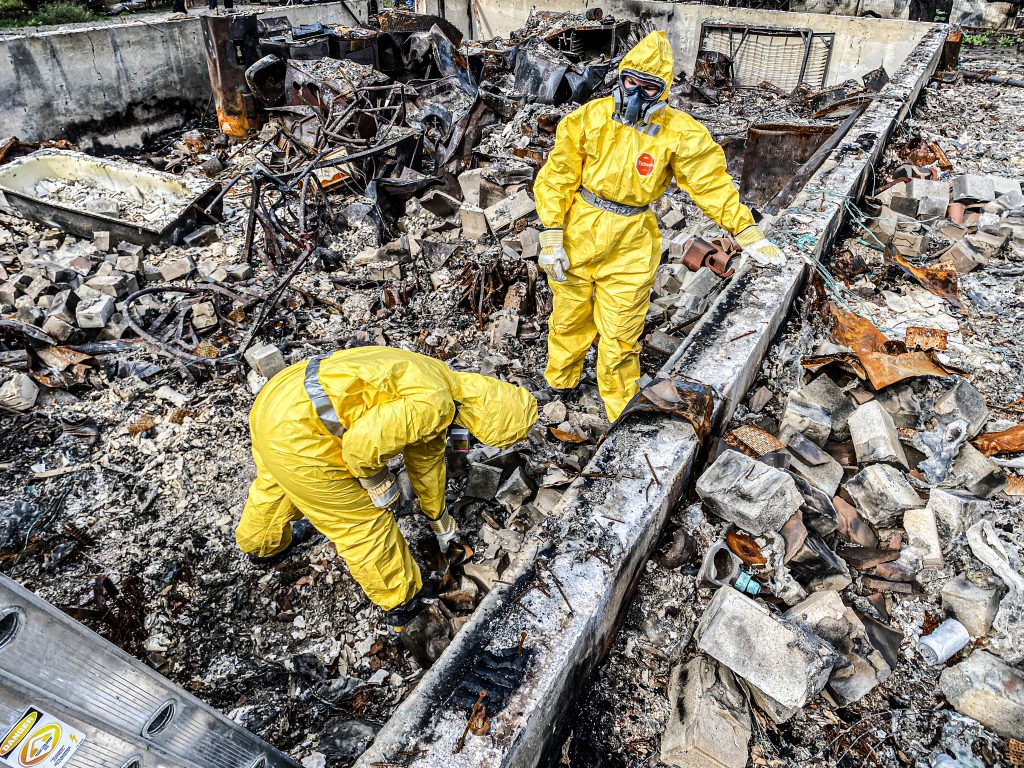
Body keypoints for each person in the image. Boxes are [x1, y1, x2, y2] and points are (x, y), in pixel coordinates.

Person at [533, 30, 783, 423]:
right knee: (568, 317)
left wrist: (745, 231)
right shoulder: (590, 118)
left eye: (647, 87)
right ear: (620, 78)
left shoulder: (679, 133)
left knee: (621, 333)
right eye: (629, 82)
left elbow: (710, 183)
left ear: (662, 91)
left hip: (631, 241)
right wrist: (550, 233)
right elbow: (558, 175)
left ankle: (619, 408)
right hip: (578, 229)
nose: (634, 94)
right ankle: (560, 380)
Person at [235, 346, 537, 625]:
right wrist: (378, 484)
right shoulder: (435, 404)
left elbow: (426, 462)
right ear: (486, 422)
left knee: (276, 482)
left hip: (279, 401)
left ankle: (261, 545)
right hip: (301, 433)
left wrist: (439, 518)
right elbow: (357, 449)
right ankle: (401, 602)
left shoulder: (445, 382)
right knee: (363, 523)